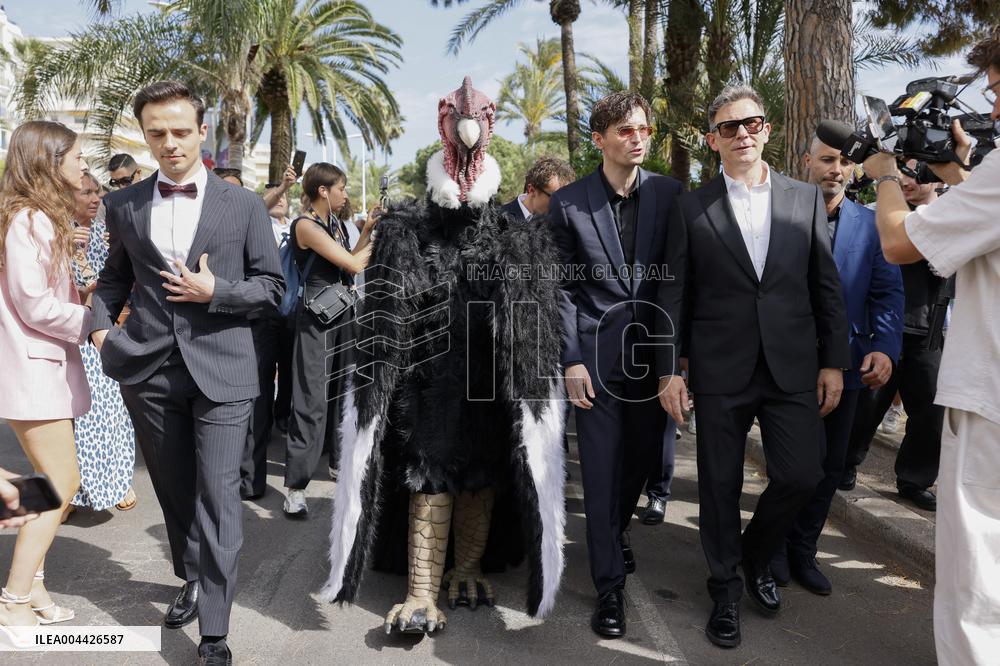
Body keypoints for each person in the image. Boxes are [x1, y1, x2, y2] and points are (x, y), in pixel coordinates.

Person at [89, 80, 284, 666]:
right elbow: (114, 278)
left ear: (203, 131)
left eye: (180, 131)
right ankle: (192, 575)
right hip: (148, 370)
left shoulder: (243, 205)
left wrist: (215, 291)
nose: (169, 143)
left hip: (223, 369)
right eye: (157, 133)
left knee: (219, 496)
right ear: (145, 136)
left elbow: (272, 289)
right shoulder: (124, 204)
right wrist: (100, 332)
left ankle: (214, 634)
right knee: (174, 492)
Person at [656, 84, 849, 649]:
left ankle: (756, 555)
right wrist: (669, 371)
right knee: (719, 484)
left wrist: (834, 363)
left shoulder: (804, 198)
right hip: (720, 367)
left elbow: (825, 285)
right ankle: (723, 590)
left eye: (752, 123)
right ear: (712, 139)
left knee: (802, 475)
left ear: (767, 130)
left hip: (793, 364)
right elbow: (674, 294)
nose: (742, 133)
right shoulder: (690, 206)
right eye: (729, 127)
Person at [861, 27, 1000, 666]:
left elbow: (897, 242)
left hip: (988, 399)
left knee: (977, 575)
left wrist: (885, 170)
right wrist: (958, 170)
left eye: (997, 90)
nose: (992, 107)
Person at [550, 90, 684, 638]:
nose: (636, 139)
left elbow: (678, 282)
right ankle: (609, 588)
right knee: (602, 472)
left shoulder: (671, 194)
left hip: (652, 358)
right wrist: (571, 360)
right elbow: (560, 289)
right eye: (625, 130)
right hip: (595, 360)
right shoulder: (569, 204)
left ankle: (615, 529)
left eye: (643, 129)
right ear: (599, 139)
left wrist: (675, 362)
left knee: (642, 462)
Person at [769, 123, 904, 595]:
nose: (837, 168)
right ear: (807, 161)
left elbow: (887, 294)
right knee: (789, 467)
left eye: (845, 161)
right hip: (784, 365)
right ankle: (771, 546)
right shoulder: (777, 218)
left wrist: (885, 347)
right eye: (827, 159)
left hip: (847, 366)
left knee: (828, 467)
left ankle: (802, 550)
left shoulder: (870, 225)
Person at [0, 120, 92, 640]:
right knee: (59, 484)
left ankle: (32, 588)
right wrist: (91, 323)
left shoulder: (35, 217)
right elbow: (33, 302)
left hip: (38, 370)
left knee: (50, 483)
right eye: (77, 157)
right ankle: (13, 599)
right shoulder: (28, 219)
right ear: (49, 162)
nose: (84, 166)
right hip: (33, 370)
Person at [840, 158, 949, 512]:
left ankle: (915, 479)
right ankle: (844, 464)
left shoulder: (950, 216)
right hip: (882, 328)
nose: (909, 181)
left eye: (919, 174)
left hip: (927, 332)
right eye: (903, 172)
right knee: (866, 404)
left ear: (937, 179)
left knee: (931, 412)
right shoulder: (877, 213)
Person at [282, 162, 375, 517]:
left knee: (342, 394)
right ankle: (295, 487)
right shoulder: (305, 225)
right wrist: (380, 240)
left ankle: (338, 462)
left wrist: (368, 230)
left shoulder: (333, 224)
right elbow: (353, 265)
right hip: (316, 319)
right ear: (323, 190)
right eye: (341, 188)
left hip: (342, 313)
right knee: (311, 401)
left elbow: (348, 259)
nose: (345, 195)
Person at [69, 172, 137, 515]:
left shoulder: (102, 233)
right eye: (86, 192)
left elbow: (114, 285)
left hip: (100, 332)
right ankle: (70, 491)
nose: (96, 198)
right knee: (76, 418)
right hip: (67, 334)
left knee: (111, 410)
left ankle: (117, 481)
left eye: (97, 192)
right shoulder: (53, 235)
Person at [239, 178, 297, 500]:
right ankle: (241, 477)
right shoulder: (243, 219)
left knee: (264, 395)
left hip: (275, 316)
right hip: (245, 317)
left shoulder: (293, 227)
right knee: (252, 398)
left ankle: (251, 479)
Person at [502, 156, 576, 220]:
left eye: (565, 201)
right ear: (531, 190)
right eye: (556, 199)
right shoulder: (499, 218)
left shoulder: (561, 224)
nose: (561, 207)